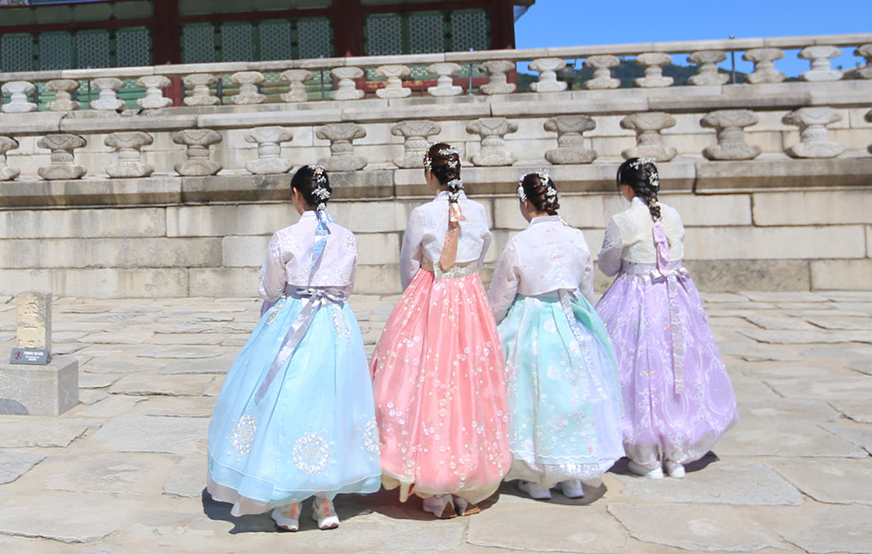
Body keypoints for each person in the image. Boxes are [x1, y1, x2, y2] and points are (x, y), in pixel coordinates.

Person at [206, 165, 381, 531]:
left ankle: (287, 505)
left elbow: (270, 288)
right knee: (332, 404)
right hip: (335, 325)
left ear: (296, 195)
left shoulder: (285, 237)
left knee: (285, 404)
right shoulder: (346, 237)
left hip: (292, 322)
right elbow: (346, 286)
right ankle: (325, 502)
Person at [369, 143, 509, 518]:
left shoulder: (421, 213)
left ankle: (434, 486)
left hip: (432, 296)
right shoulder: (478, 211)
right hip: (469, 299)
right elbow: (480, 256)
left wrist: (418, 298)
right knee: (470, 384)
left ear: (430, 174)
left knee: (428, 383)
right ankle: (468, 481)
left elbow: (409, 264)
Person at [596, 158, 739, 478]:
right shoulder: (672, 214)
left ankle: (646, 455)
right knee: (677, 370)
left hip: (636, 295)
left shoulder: (623, 219)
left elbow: (607, 264)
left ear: (627, 187)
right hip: (674, 298)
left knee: (638, 369)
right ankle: (676, 453)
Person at [488, 172, 625, 500]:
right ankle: (572, 476)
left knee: (534, 398)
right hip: (570, 318)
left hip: (531, 321)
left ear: (525, 202)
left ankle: (537, 478)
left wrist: (490, 326)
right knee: (572, 397)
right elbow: (587, 286)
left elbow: (501, 296)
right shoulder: (576, 237)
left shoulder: (520, 243)